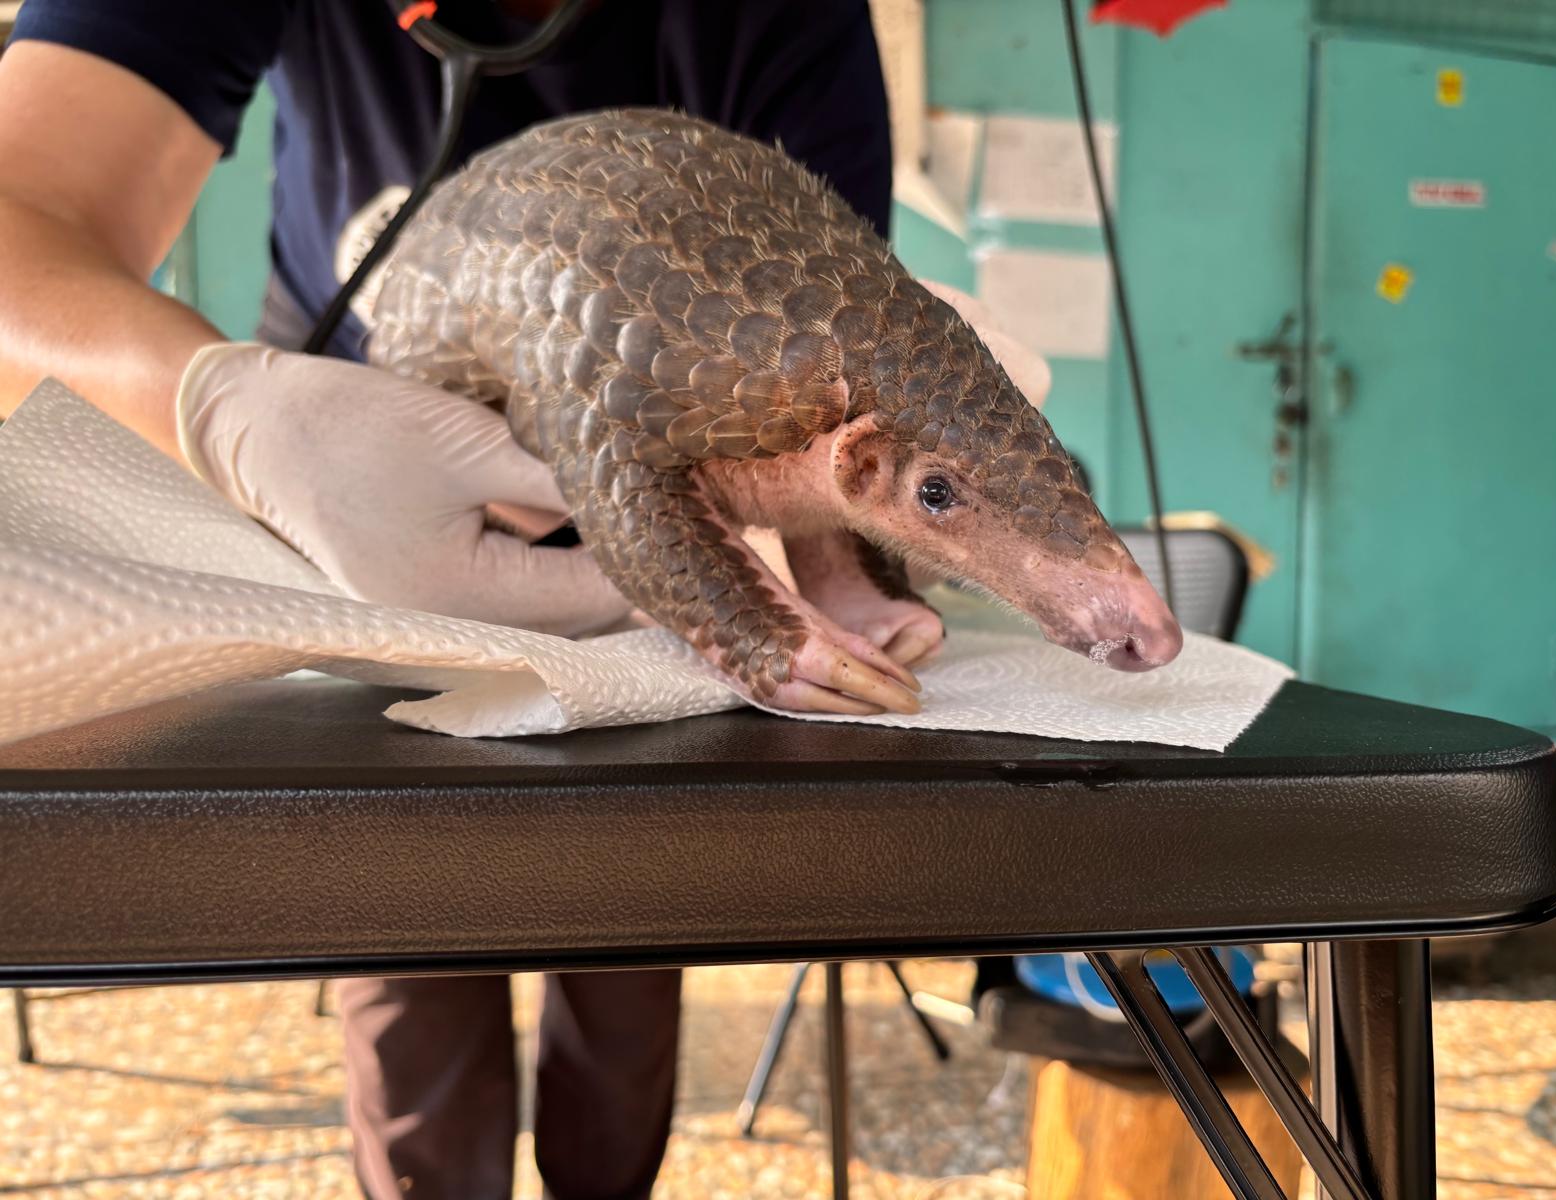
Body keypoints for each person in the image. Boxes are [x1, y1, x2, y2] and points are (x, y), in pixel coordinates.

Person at [0, 3, 892, 1198]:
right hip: (343, 496)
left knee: (630, 941)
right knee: (410, 943)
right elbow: (22, 223)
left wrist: (836, 543)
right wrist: (219, 403)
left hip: (661, 531)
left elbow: (842, 346)